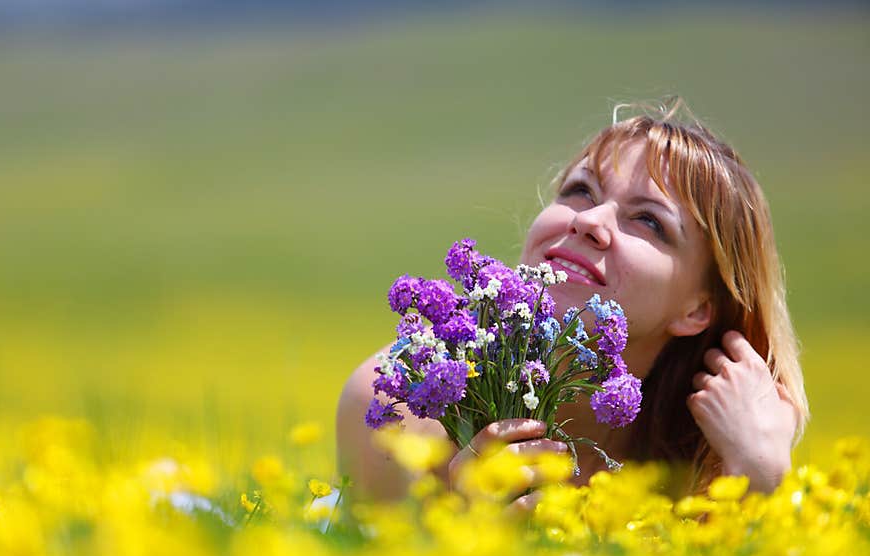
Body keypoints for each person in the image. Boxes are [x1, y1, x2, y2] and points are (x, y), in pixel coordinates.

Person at [335, 97, 808, 509]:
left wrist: (758, 476)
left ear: (696, 310)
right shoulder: (396, 412)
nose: (591, 221)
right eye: (581, 190)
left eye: (648, 221)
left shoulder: (720, 472)